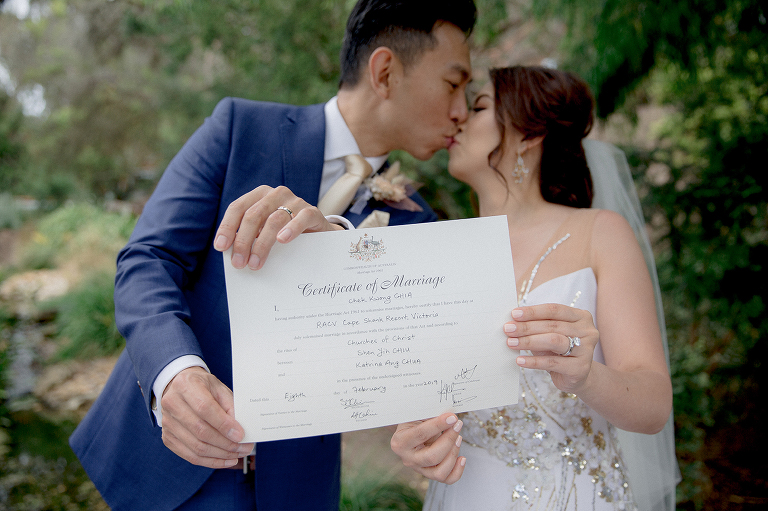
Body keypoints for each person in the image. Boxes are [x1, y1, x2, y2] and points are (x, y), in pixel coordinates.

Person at [69, 1, 477, 510]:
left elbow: (403, 365)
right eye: (453, 84)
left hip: (297, 486)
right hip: (170, 459)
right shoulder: (239, 128)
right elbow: (148, 259)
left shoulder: (416, 221)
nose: (462, 110)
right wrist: (174, 373)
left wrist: (426, 425)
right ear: (385, 72)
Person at [389, 66, 680, 510]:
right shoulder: (439, 253)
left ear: (529, 135)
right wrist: (417, 440)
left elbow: (654, 406)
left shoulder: (600, 232)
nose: (459, 118)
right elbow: (419, 400)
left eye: (479, 106)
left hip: (577, 496)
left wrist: (587, 376)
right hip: (466, 494)